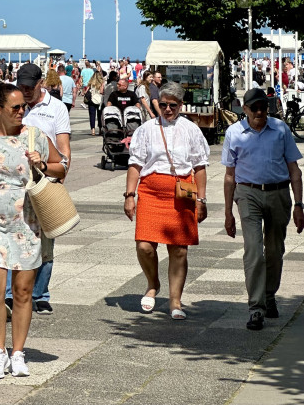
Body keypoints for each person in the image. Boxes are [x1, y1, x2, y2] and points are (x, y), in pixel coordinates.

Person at [0, 82, 65, 378]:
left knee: (22, 291)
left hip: (28, 222)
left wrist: (42, 163)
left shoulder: (35, 137)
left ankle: (18, 352)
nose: (22, 112)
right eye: (15, 108)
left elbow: (62, 168)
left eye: (24, 107)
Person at [124, 81, 209, 320]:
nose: (168, 109)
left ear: (181, 105)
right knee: (144, 245)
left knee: (179, 250)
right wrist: (130, 195)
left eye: (172, 105)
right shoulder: (147, 129)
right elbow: (135, 164)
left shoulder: (191, 129)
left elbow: (200, 167)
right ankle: (153, 283)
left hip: (182, 192)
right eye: (163, 105)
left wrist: (201, 200)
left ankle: (175, 300)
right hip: (151, 192)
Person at [222, 87, 303, 330]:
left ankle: (269, 295)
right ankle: (256, 307)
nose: (259, 112)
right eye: (254, 108)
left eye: (263, 107)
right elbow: (229, 176)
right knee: (254, 250)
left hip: (279, 192)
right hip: (248, 193)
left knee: (275, 249)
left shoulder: (280, 129)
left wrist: (299, 204)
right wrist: (228, 212)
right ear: (244, 109)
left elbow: (295, 171)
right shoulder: (234, 133)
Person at [5, 63, 71, 316]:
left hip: (45, 178)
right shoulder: (15, 105)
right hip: (16, 180)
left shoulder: (56, 108)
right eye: (21, 86)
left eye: (29, 87)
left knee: (46, 239)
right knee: (14, 237)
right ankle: (12, 294)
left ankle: (40, 293)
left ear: (40, 83)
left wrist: (59, 177)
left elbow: (64, 147)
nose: (25, 91)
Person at [87, 70, 104, 136]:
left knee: (92, 115)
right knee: (100, 115)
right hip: (99, 101)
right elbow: (102, 92)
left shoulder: (91, 83)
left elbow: (86, 91)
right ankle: (100, 129)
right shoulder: (102, 83)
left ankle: (93, 130)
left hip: (92, 100)